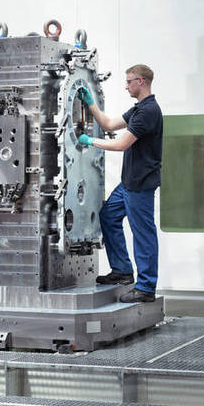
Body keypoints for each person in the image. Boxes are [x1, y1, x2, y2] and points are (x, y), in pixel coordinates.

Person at [76, 64, 162, 303]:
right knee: (108, 217)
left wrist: (89, 141)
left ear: (141, 81)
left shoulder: (149, 112)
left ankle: (146, 288)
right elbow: (109, 124)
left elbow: (120, 144)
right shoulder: (138, 109)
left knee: (143, 234)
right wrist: (90, 102)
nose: (126, 86)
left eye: (129, 81)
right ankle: (122, 270)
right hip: (128, 183)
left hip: (140, 184)